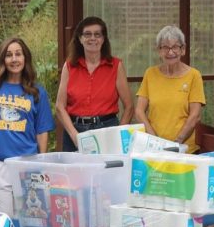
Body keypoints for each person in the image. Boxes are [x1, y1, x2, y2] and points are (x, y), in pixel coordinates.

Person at [0, 36, 54, 217]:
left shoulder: (37, 91)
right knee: (5, 218)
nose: (14, 59)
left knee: (30, 217)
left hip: (27, 163)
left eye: (18, 54)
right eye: (9, 55)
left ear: (25, 58)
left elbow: (42, 131)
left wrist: (41, 164)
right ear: (2, 59)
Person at [55, 16, 134, 151]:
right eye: (87, 34)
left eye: (97, 34)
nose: (93, 38)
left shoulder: (116, 66)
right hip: (75, 130)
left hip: (107, 129)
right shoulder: (69, 67)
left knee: (107, 172)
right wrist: (75, 136)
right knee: (75, 172)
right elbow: (59, 107)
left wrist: (118, 135)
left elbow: (129, 106)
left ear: (103, 39)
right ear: (80, 38)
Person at [135, 25, 206, 153]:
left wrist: (176, 144)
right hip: (155, 149)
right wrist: (155, 141)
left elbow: (195, 115)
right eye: (165, 47)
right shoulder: (150, 74)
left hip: (185, 150)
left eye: (175, 47)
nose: (170, 52)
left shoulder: (194, 76)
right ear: (159, 50)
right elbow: (139, 111)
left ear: (183, 49)